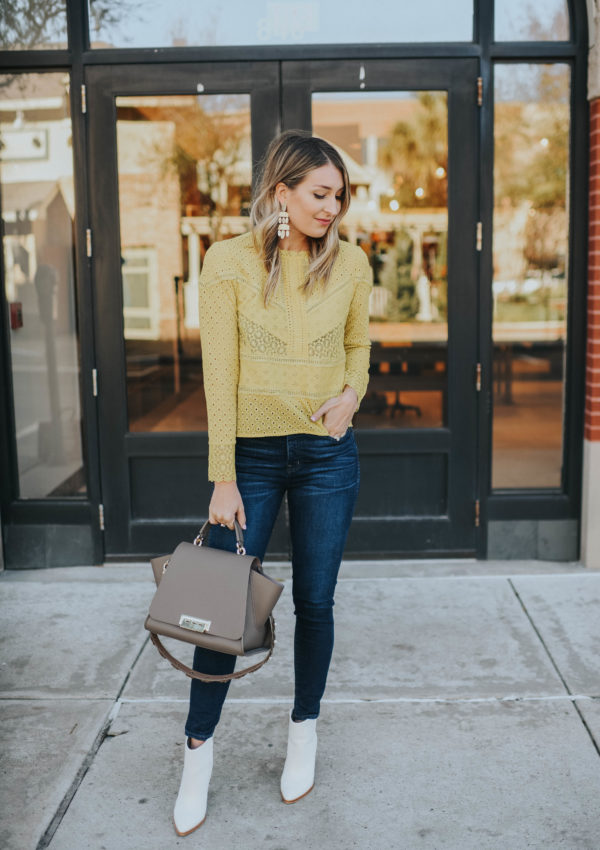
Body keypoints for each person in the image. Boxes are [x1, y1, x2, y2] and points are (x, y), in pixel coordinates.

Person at [173, 129, 373, 836]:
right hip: (250, 460)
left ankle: (304, 731)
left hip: (326, 455)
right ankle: (197, 753)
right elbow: (218, 374)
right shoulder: (227, 262)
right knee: (223, 606)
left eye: (340, 197)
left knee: (316, 601)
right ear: (281, 191)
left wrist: (352, 393)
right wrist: (221, 476)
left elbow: (358, 344)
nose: (333, 208)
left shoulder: (351, 264)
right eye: (321, 194)